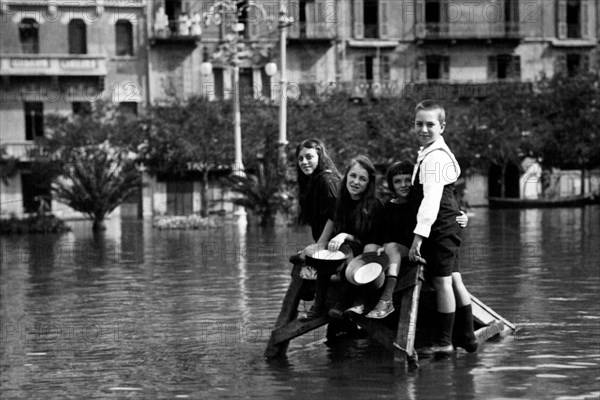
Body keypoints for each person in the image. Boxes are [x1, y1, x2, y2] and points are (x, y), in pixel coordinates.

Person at [408, 100, 478, 356]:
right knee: (455, 278)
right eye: (419, 124)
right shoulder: (431, 152)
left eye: (430, 124)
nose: (424, 129)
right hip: (448, 221)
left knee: (441, 281)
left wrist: (418, 237)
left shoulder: (435, 157)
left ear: (442, 126)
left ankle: (444, 341)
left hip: (440, 224)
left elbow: (431, 201)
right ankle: (468, 338)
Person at [365, 161, 468, 319]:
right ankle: (360, 301)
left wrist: (462, 216)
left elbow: (443, 215)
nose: (403, 185)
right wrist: (381, 245)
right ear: (392, 185)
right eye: (397, 181)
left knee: (392, 247)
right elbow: (382, 233)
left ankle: (386, 300)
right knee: (372, 248)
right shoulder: (387, 207)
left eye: (408, 180)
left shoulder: (421, 204)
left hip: (419, 252)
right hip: (395, 254)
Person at [316, 155, 385, 319]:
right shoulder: (337, 203)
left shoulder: (374, 206)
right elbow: (323, 239)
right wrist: (311, 254)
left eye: (362, 179)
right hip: (341, 255)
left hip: (367, 259)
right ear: (346, 176)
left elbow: (372, 242)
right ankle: (317, 307)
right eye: (352, 176)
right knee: (323, 255)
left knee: (348, 248)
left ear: (369, 183)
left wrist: (344, 235)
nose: (356, 182)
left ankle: (345, 303)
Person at [295, 139, 341, 320]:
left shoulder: (326, 179)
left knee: (306, 258)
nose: (304, 162)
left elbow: (335, 214)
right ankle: (310, 294)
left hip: (340, 241)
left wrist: (321, 243)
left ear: (320, 156)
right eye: (300, 159)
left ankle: (317, 304)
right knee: (299, 257)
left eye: (309, 157)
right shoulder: (312, 181)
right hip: (326, 242)